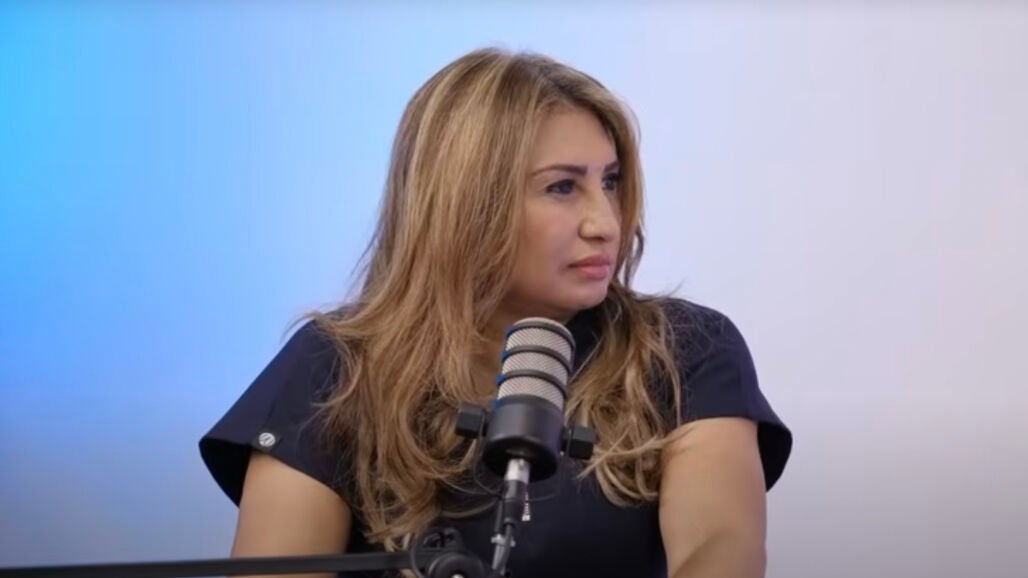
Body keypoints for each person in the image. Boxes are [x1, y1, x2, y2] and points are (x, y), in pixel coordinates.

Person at [199, 47, 792, 578]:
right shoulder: (333, 367)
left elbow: (721, 549)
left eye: (610, 182)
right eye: (562, 187)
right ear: (466, 202)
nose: (605, 222)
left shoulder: (685, 349)